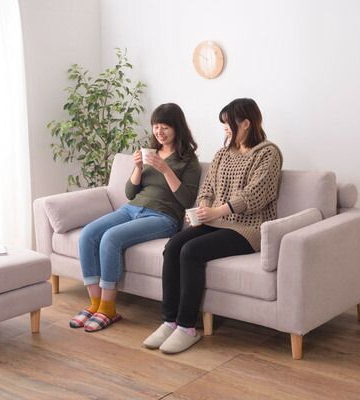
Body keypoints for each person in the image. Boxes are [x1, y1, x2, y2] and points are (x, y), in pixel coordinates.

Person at [143, 98, 283, 353]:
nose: (225, 128)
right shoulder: (222, 154)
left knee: (191, 251)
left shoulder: (268, 153)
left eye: (228, 123)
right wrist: (202, 209)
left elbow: (255, 194)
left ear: (246, 124)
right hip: (215, 221)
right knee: (173, 246)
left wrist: (216, 211)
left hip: (248, 228)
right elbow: (207, 188)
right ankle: (169, 321)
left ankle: (187, 327)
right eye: (223, 124)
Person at [70, 103, 201, 332]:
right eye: (156, 127)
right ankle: (94, 304)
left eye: (165, 127)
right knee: (88, 234)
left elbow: (186, 200)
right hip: (131, 209)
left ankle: (108, 308)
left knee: (111, 238)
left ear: (177, 128)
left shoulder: (188, 160)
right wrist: (138, 167)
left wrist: (165, 169)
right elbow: (130, 193)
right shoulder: (151, 153)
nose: (159, 132)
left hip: (163, 216)